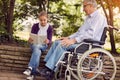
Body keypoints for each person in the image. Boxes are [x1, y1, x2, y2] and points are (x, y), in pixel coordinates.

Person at [40, 0, 108, 79]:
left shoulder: (99, 17)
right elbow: (79, 32)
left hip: (90, 45)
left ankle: (49, 70)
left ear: (91, 6)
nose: (83, 9)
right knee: (57, 42)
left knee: (63, 45)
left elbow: (90, 34)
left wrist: (73, 40)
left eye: (84, 6)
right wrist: (69, 37)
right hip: (82, 42)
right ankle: (46, 66)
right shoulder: (88, 18)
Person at [23, 11, 53, 79]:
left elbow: (50, 40)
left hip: (43, 46)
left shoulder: (50, 28)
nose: (42, 22)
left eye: (44, 20)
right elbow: (31, 37)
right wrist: (30, 39)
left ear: (47, 19)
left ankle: (30, 68)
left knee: (37, 48)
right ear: (39, 20)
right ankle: (32, 74)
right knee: (37, 50)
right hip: (34, 44)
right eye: (41, 20)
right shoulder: (35, 26)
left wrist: (48, 41)